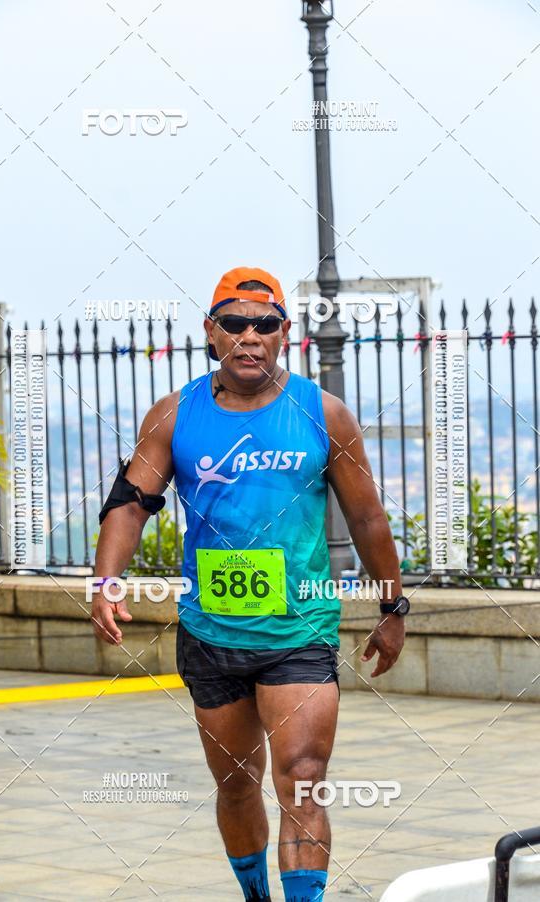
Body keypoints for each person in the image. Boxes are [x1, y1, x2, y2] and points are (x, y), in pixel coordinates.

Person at [92, 266, 407, 901]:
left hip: (300, 629)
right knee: (237, 781)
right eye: (234, 324)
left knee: (305, 776)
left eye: (264, 324)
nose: (249, 336)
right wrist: (106, 581)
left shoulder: (323, 414)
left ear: (285, 334)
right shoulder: (176, 414)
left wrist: (392, 603)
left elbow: (368, 516)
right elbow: (130, 502)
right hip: (211, 630)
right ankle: (255, 895)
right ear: (212, 333)